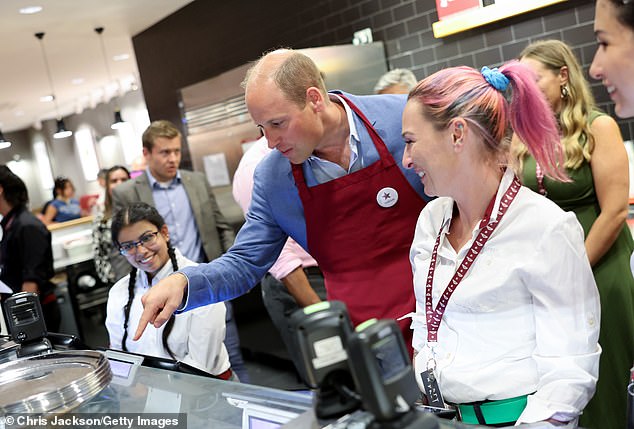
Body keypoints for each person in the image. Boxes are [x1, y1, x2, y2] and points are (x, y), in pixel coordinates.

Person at [132, 49, 429, 356]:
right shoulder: (274, 178)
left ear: (314, 99)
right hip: (367, 336)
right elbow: (245, 262)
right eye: (262, 129)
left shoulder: (403, 119)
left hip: (443, 315)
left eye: (277, 123)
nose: (271, 142)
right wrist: (184, 282)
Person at [403, 63, 600, 426]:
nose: (406, 159)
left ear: (457, 134)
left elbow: (569, 373)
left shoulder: (545, 228)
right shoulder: (430, 221)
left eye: (411, 141)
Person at [513, 39, 634, 429]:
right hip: (548, 276)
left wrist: (575, 267)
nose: (528, 89)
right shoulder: (525, 136)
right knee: (564, 374)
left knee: (609, 365)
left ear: (563, 75)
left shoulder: (599, 127)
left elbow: (614, 211)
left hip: (599, 265)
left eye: (537, 79)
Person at [111, 120, 248, 382]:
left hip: (204, 284)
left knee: (226, 358)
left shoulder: (196, 182)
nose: (173, 158)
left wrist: (226, 270)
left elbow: (221, 226)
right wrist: (134, 288)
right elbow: (122, 241)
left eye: (177, 151)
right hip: (157, 292)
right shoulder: (127, 192)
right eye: (165, 152)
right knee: (173, 364)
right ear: (147, 154)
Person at [232, 136, 326, 379]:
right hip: (301, 283)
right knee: (332, 374)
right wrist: (321, 313)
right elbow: (281, 257)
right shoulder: (256, 167)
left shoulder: (312, 151)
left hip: (330, 272)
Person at [105, 202, 233, 379]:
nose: (140, 251)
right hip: (144, 396)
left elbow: (201, 367)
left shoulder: (200, 283)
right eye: (128, 246)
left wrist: (148, 390)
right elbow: (117, 356)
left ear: (164, 233)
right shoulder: (119, 293)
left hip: (206, 392)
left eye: (147, 238)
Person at [0, 165, 60, 331]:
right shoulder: (10, 223)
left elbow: (31, 282)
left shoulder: (26, 226)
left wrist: (24, 324)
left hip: (34, 315)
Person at [93, 165, 131, 284]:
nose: (119, 183)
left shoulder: (143, 211)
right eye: (114, 181)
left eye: (124, 180)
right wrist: (111, 276)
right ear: (107, 186)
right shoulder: (101, 219)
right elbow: (99, 253)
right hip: (121, 279)